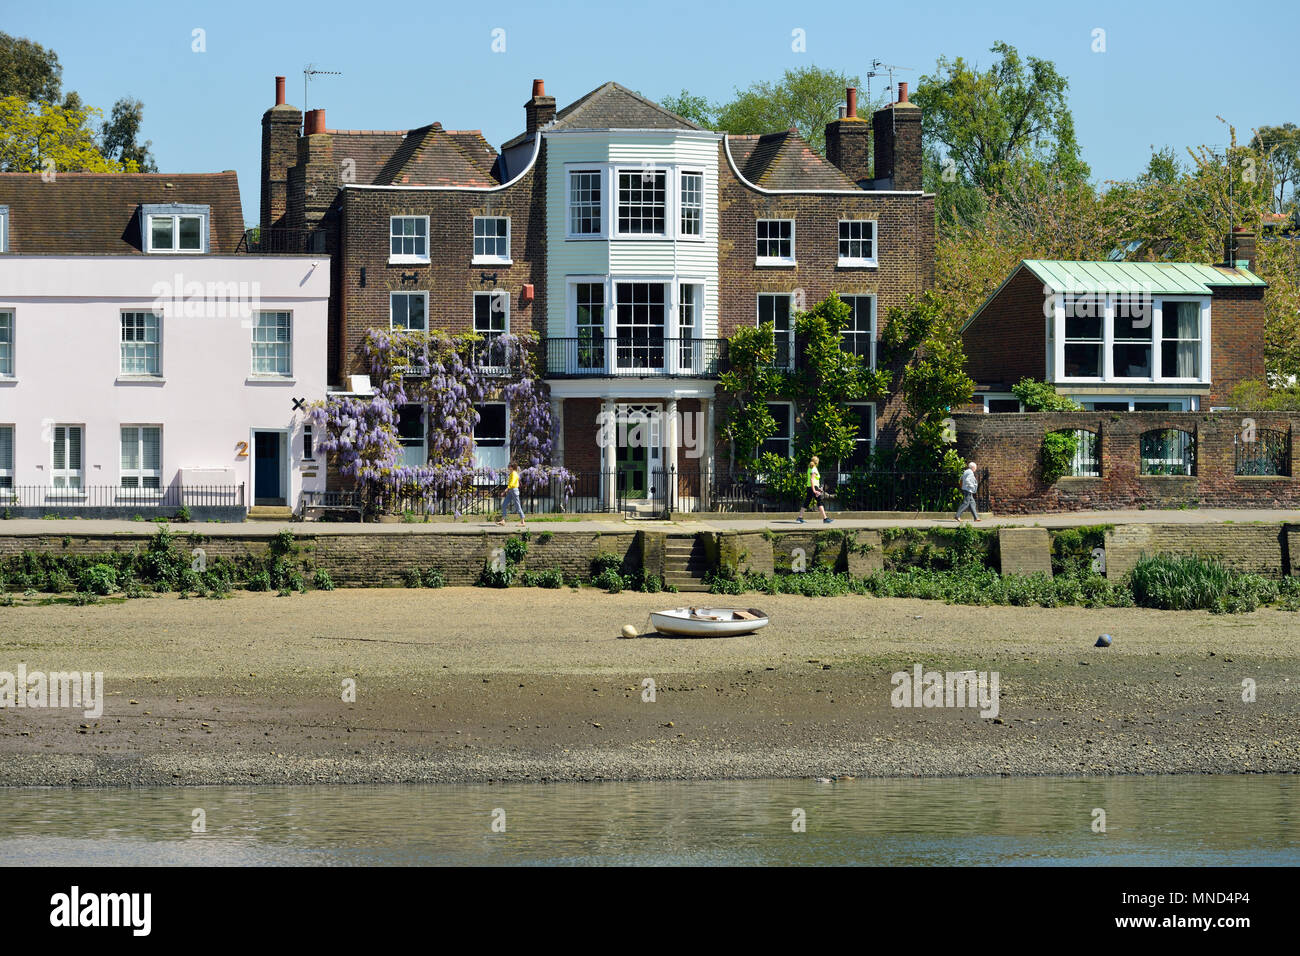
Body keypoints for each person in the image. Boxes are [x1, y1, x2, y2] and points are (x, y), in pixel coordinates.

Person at [797, 455, 832, 524]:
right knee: (819, 502)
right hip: (813, 488)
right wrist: (814, 490)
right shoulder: (814, 469)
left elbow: (812, 480)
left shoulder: (810, 468)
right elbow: (812, 479)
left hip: (810, 487)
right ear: (817, 462)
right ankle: (825, 518)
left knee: (807, 502)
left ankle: (800, 517)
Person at [497, 461, 526, 528]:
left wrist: (505, 490)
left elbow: (512, 483)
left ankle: (523, 522)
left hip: (514, 490)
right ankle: (503, 520)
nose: (508, 467)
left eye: (509, 466)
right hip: (511, 491)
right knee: (504, 505)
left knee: (517, 506)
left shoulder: (514, 474)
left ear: (512, 467)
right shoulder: (512, 473)